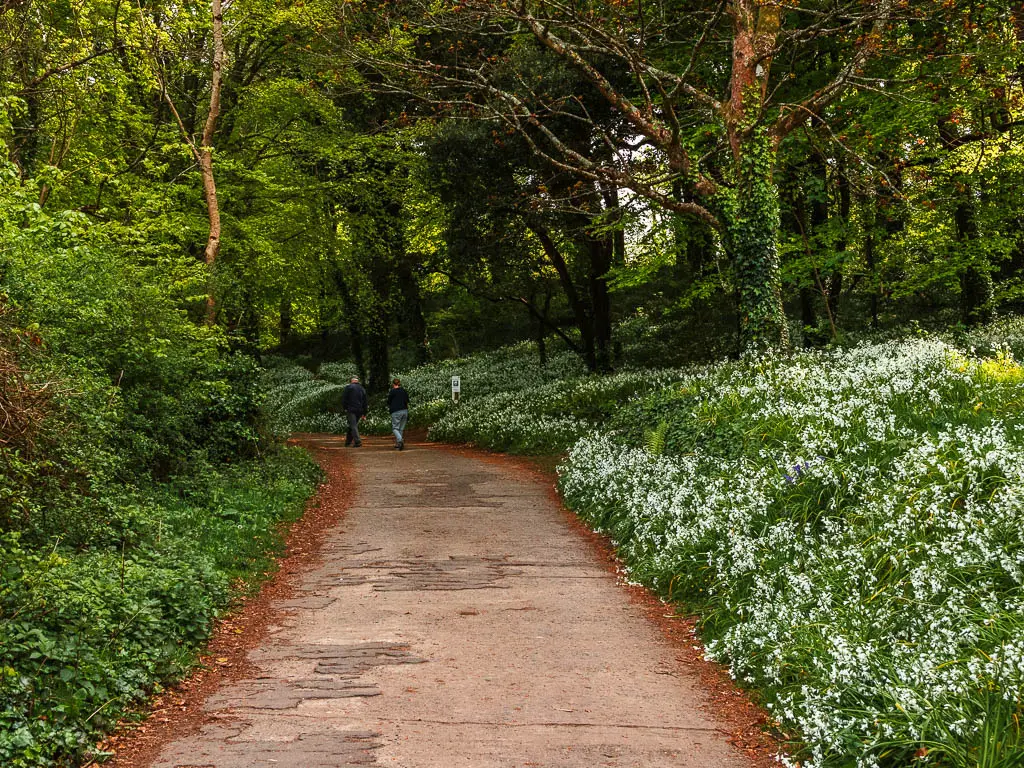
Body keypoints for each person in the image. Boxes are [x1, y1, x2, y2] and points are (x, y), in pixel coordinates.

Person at [341, 375, 368, 447]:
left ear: (351, 380)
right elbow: (365, 402)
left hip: (351, 409)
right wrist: (364, 413)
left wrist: (345, 408)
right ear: (357, 381)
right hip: (359, 410)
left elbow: (344, 399)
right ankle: (348, 442)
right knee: (352, 425)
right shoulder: (362, 389)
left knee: (353, 425)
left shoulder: (348, 387)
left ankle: (358, 442)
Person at [387, 378, 410, 450]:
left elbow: (388, 402)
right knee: (401, 429)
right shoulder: (404, 391)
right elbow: (407, 401)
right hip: (405, 411)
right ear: (399, 383)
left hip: (396, 411)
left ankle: (400, 440)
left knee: (395, 428)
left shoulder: (392, 391)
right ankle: (398, 444)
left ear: (393, 384)